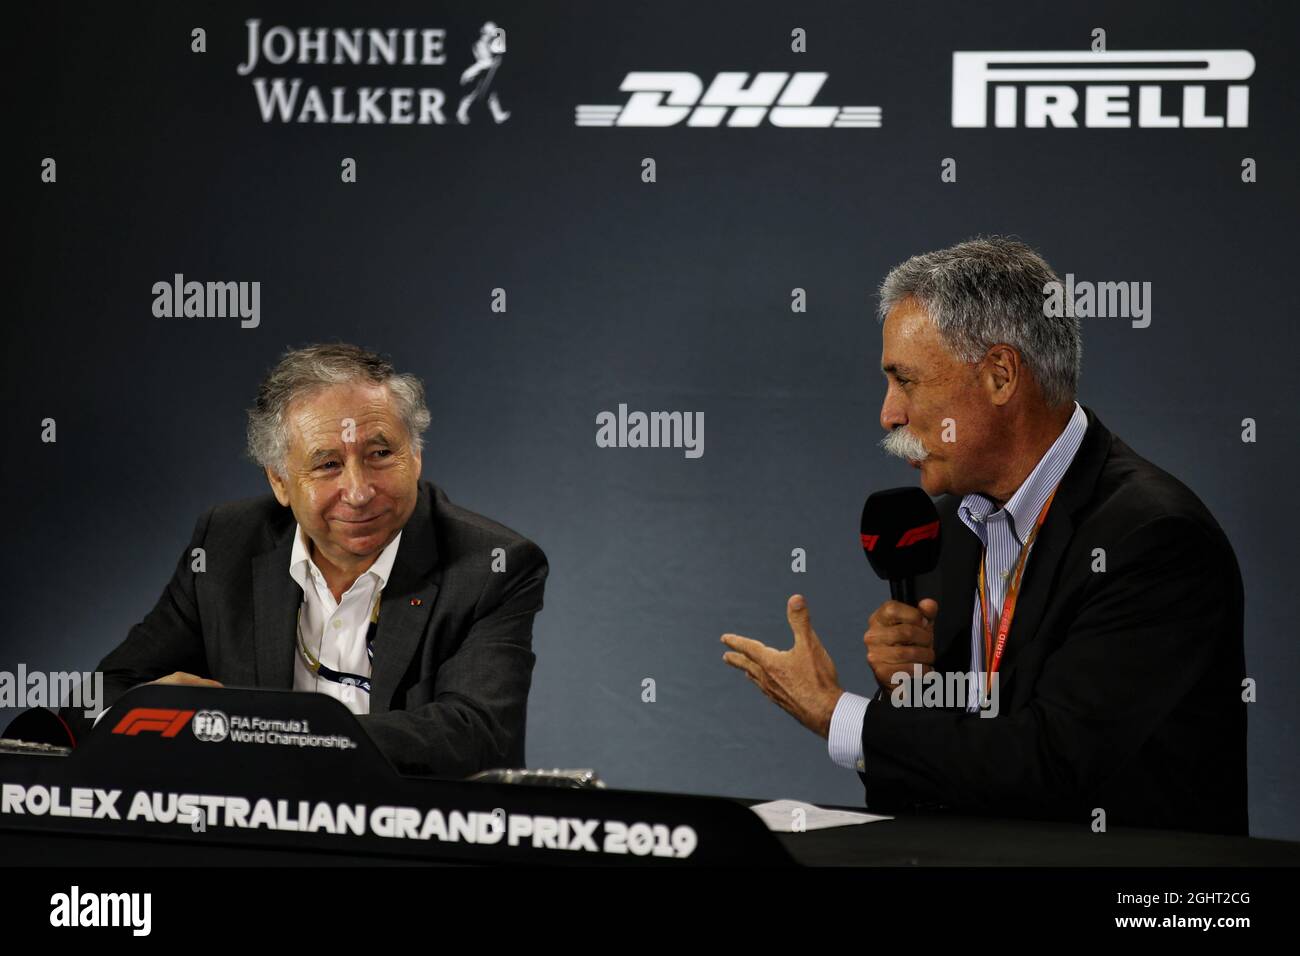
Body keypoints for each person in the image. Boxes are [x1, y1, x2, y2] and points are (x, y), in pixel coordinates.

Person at [721, 237, 1248, 835]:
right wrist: (912, 695)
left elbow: (1052, 766)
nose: (889, 414)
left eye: (906, 381)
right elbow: (936, 781)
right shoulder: (947, 529)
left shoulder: (1154, 540)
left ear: (1001, 375)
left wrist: (837, 714)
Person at [62, 343, 548, 778]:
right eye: (328, 464)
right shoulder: (227, 545)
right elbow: (100, 695)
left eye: (380, 453)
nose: (358, 491)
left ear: (415, 456)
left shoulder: (491, 565)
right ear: (279, 481)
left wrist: (261, 734)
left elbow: (474, 736)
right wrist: (150, 712)